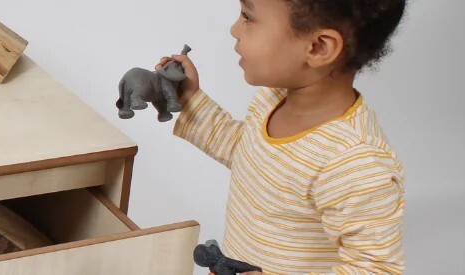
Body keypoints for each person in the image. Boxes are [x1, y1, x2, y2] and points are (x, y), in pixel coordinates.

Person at [160, 0, 408, 274]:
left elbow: (374, 268)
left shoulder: (354, 161)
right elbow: (249, 154)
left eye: (247, 16)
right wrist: (188, 99)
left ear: (318, 47)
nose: (234, 29)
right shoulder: (273, 99)